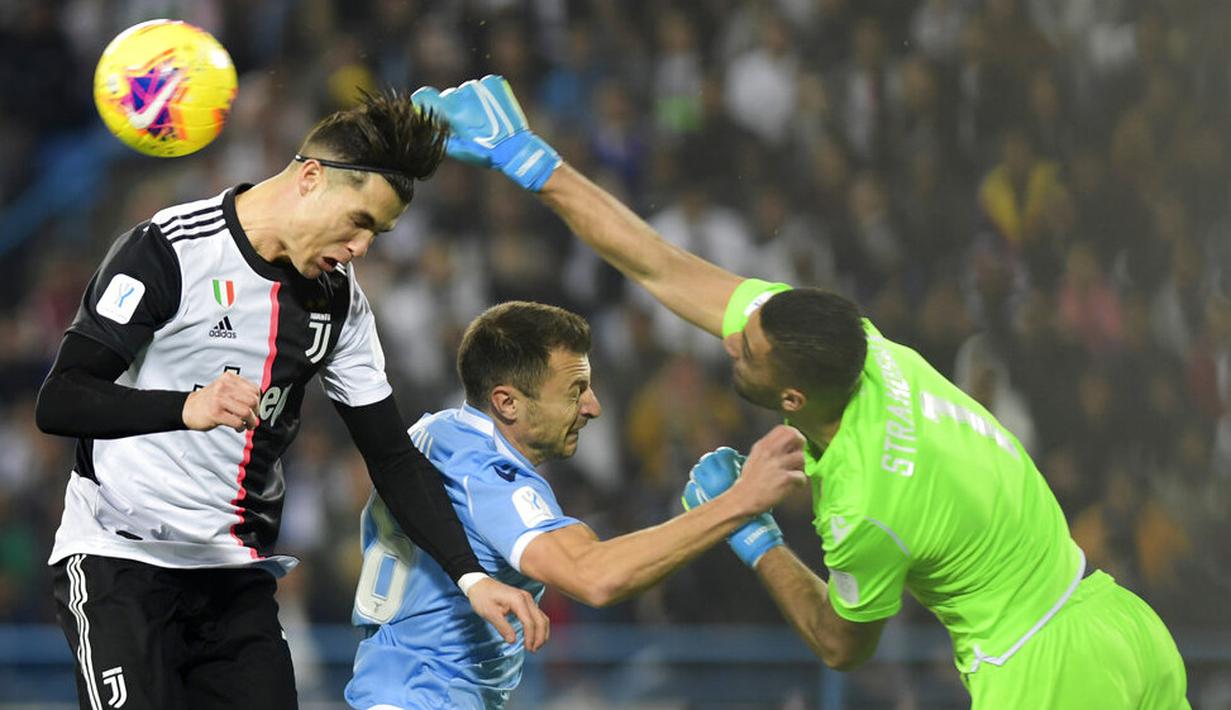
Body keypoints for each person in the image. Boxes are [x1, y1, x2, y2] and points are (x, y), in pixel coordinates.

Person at [413, 75, 1191, 709]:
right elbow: (657, 265)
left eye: (746, 351)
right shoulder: (856, 345)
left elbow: (839, 645)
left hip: (1043, 676)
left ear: (790, 398)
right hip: (1119, 621)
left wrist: (758, 540)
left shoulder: (863, 507)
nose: (728, 340)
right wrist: (531, 161)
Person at [33, 90, 548, 710]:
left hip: (231, 579)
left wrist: (471, 576)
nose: (363, 248)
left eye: (378, 235)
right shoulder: (168, 249)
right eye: (361, 222)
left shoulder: (339, 303)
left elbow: (390, 456)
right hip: (118, 561)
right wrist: (184, 406)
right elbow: (61, 400)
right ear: (311, 178)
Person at [345, 300, 806, 709]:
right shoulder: (488, 474)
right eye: (575, 390)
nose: (593, 406)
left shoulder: (440, 432)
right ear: (507, 402)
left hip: (395, 684)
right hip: (425, 695)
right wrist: (739, 502)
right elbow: (594, 575)